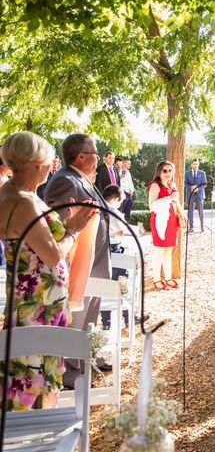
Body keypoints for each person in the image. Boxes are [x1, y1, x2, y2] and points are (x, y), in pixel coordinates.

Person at [0, 132, 96, 410]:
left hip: (29, 295)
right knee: (33, 369)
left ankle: (28, 431)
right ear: (37, 163)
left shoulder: (12, 193)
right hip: (38, 300)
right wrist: (75, 230)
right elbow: (53, 255)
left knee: (27, 365)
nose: (52, 163)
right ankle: (34, 434)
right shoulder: (24, 202)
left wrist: (66, 227)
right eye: (48, 159)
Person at [45, 134, 114, 383]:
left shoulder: (80, 178)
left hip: (94, 261)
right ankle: (69, 372)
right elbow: (59, 226)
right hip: (79, 264)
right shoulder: (64, 181)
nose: (98, 158)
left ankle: (86, 359)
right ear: (81, 156)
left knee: (89, 318)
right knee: (76, 319)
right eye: (95, 153)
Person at [149, 160, 186, 290]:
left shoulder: (172, 184)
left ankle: (168, 278)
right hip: (160, 222)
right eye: (165, 171)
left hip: (172, 221)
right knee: (159, 250)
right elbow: (151, 206)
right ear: (159, 172)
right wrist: (169, 198)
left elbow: (176, 201)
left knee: (169, 250)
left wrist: (182, 213)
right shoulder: (155, 186)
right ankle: (156, 279)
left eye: (170, 171)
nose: (168, 173)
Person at [185, 159, 207, 232]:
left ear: (198, 165)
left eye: (197, 164)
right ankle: (191, 227)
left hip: (199, 195)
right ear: (192, 164)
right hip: (190, 195)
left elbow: (205, 184)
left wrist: (198, 188)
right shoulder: (187, 173)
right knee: (190, 211)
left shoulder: (202, 173)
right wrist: (191, 187)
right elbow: (185, 184)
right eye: (194, 164)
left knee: (200, 211)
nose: (195, 165)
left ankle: (202, 226)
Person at [119, 158, 135, 223]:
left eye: (130, 164)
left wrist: (132, 190)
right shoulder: (119, 171)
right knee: (122, 211)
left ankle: (127, 225)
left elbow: (130, 183)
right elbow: (120, 182)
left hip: (130, 195)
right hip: (123, 193)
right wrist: (126, 191)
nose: (129, 165)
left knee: (128, 212)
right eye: (128, 163)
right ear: (123, 163)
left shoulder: (128, 172)